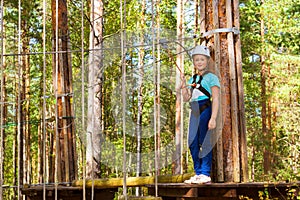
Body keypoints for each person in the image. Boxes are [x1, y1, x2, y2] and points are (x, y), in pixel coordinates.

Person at [180, 45, 220, 184]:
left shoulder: (212, 78)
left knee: (205, 141)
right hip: (194, 111)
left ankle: (205, 173)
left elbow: (215, 98)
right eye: (196, 60)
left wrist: (213, 118)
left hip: (205, 109)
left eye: (202, 59)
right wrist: (184, 86)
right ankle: (198, 173)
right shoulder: (193, 79)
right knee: (192, 141)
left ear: (207, 60)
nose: (199, 62)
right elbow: (186, 98)